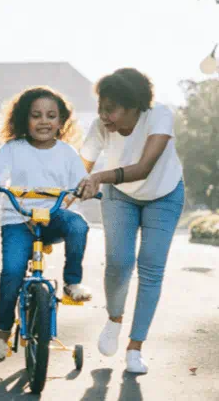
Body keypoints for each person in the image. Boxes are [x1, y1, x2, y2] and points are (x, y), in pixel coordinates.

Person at [0, 86, 92, 362]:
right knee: (12, 272)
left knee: (79, 226)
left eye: (51, 115)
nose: (44, 121)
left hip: (53, 217)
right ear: (25, 119)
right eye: (36, 115)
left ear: (61, 122)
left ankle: (73, 282)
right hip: (18, 219)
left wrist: (86, 188)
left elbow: (82, 182)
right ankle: (1, 334)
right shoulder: (13, 148)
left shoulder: (67, 153)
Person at [77, 67, 184, 374]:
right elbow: (79, 168)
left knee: (151, 266)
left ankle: (135, 348)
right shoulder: (101, 127)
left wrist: (99, 177)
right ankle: (114, 318)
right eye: (101, 108)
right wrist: (63, 197)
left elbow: (144, 168)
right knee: (119, 262)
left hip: (164, 193)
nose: (104, 116)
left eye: (110, 109)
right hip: (120, 196)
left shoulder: (158, 116)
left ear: (134, 106)